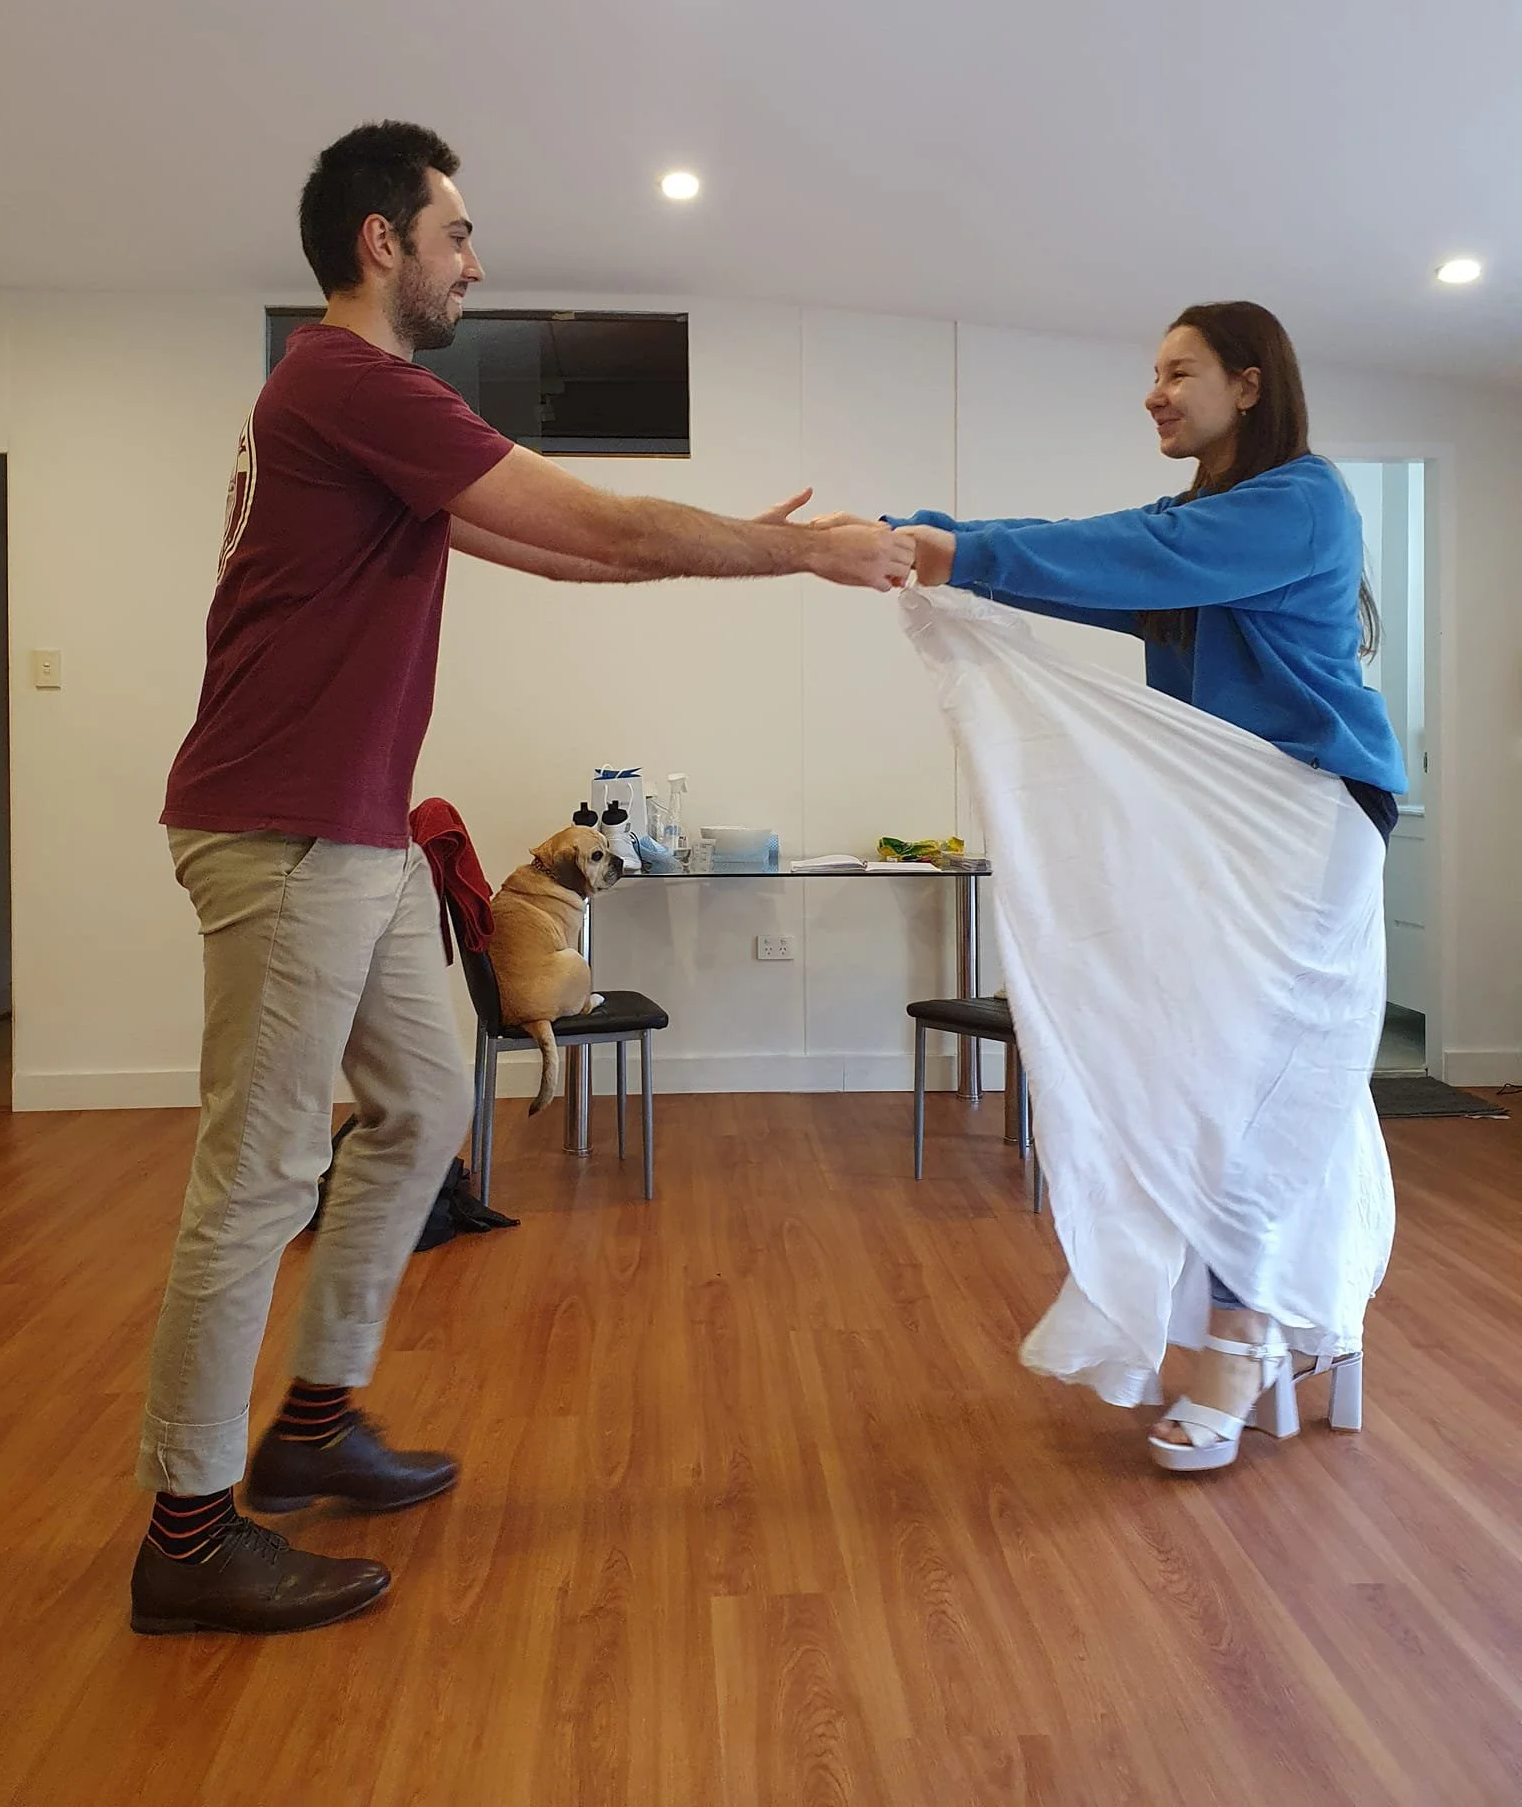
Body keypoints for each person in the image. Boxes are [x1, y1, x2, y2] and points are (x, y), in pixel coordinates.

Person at [132, 120, 916, 1637]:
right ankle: (182, 1536)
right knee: (255, 1178)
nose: (474, 265)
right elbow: (604, 521)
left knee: (427, 1108)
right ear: (383, 242)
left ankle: (310, 1429)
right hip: (285, 827)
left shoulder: (357, 412)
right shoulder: (353, 381)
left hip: (338, 828)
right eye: (457, 235)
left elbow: (582, 556)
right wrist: (806, 559)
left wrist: (743, 546)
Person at [880, 301, 1403, 1472]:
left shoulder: (1304, 499)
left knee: (1241, 1077)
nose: (1156, 393)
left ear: (1252, 384)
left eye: (1181, 372)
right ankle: (1247, 1309)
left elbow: (1143, 556)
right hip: (1221, 816)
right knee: (1208, 1066)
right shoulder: (1202, 516)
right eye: (1152, 375)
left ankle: (1242, 1328)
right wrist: (941, 545)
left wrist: (952, 546)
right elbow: (1106, 565)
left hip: (1309, 812)